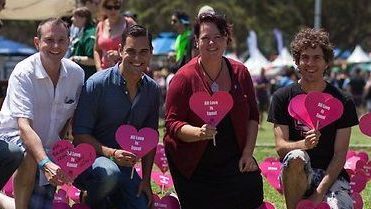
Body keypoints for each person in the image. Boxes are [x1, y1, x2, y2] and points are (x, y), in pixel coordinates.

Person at [164, 13, 263, 209]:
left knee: (253, 191)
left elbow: (253, 115)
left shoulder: (240, 73)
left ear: (226, 39)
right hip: (193, 166)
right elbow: (172, 124)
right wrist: (198, 133)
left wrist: (247, 154)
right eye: (205, 38)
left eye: (218, 37)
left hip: (233, 160)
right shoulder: (183, 78)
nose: (212, 43)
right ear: (196, 41)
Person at [267, 28, 358, 209]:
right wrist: (303, 144)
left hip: (331, 177)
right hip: (296, 173)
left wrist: (319, 193)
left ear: (326, 63)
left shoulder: (343, 100)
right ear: (297, 62)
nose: (310, 63)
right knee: (296, 156)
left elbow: (340, 155)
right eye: (305, 57)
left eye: (316, 57)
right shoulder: (281, 97)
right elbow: (280, 147)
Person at [72, 25, 160, 209]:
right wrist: (111, 154)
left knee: (141, 205)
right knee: (109, 174)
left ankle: (109, 196)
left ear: (151, 52)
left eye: (143, 52)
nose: (137, 58)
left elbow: (150, 136)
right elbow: (79, 135)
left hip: (125, 169)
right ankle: (90, 197)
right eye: (131, 51)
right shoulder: (97, 84)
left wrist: (145, 180)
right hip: (91, 162)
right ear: (120, 51)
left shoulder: (152, 90)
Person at [0, 18, 84, 209]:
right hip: (13, 138)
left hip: (48, 148)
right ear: (37, 42)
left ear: (69, 42)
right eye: (49, 40)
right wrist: (45, 162)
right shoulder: (24, 72)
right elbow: (23, 127)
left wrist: (62, 153)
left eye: (61, 40)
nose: (56, 46)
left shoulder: (77, 75)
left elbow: (68, 120)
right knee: (29, 155)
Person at [94, 0, 136, 70]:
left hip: (126, 71)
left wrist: (120, 54)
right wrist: (99, 68)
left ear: (120, 8)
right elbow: (96, 50)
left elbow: (139, 46)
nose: (113, 10)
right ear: (104, 8)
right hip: (105, 72)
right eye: (109, 7)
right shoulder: (100, 25)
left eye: (116, 7)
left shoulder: (129, 23)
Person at [69, 7, 97, 81]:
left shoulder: (90, 34)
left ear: (83, 18)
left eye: (74, 16)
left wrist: (74, 59)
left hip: (88, 77)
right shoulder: (82, 32)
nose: (72, 19)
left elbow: (93, 60)